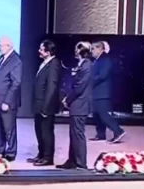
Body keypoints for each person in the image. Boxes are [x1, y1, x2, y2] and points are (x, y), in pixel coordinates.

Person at [57, 41, 93, 170]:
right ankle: (72, 161)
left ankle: (81, 163)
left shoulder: (87, 65)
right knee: (73, 134)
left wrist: (68, 99)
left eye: (77, 49)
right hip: (76, 105)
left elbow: (79, 86)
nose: (75, 51)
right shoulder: (82, 64)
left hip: (80, 105)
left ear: (82, 50)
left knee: (78, 134)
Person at [28, 40, 61, 166]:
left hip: (46, 105)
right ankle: (41, 154)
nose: (39, 51)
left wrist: (46, 107)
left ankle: (48, 158)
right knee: (39, 131)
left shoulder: (54, 64)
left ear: (48, 52)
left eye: (42, 50)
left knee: (46, 132)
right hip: (39, 104)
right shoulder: (44, 63)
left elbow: (51, 87)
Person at [0, 36, 22, 161]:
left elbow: (16, 83)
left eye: (0, 45)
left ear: (8, 46)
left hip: (6, 102)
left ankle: (11, 152)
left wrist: (7, 101)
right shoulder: (2, 58)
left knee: (9, 129)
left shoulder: (15, 60)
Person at [91, 41, 125, 143]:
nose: (91, 51)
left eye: (93, 49)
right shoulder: (98, 60)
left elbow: (102, 75)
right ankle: (100, 134)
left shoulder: (105, 59)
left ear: (99, 48)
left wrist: (89, 81)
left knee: (103, 114)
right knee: (96, 114)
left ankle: (118, 131)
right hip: (96, 92)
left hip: (103, 93)